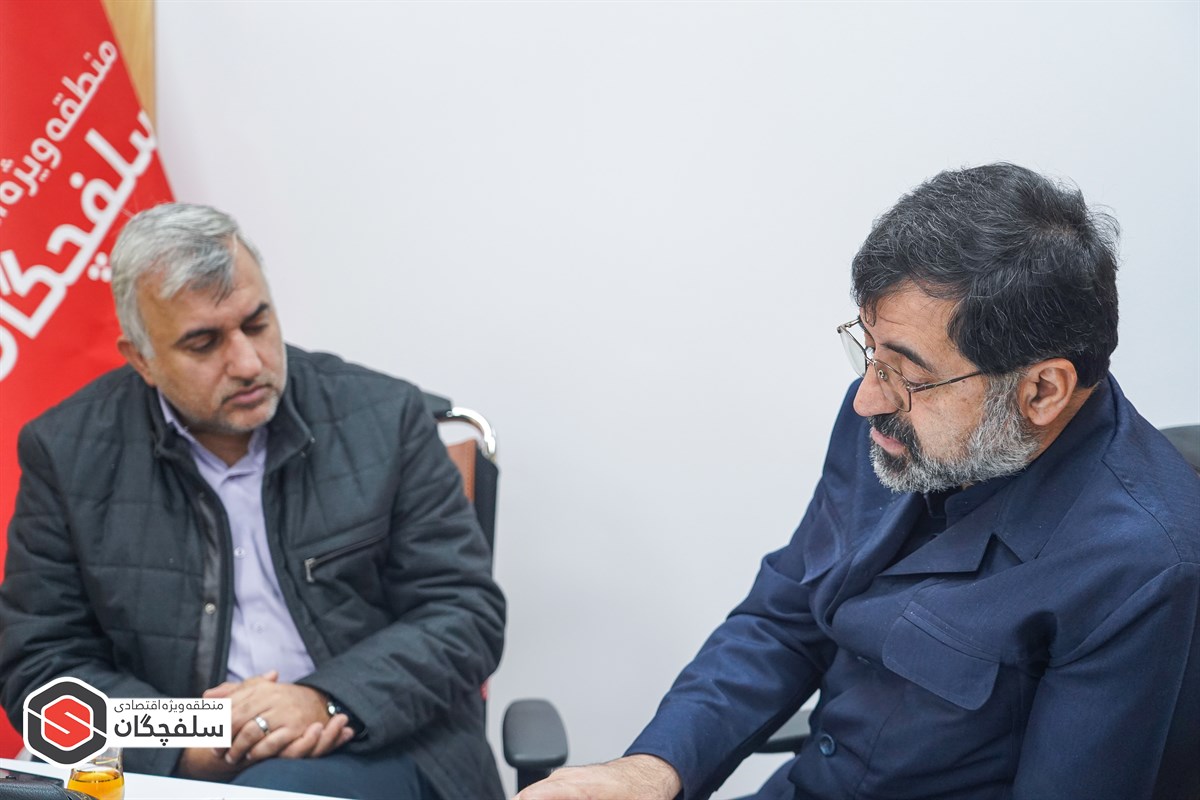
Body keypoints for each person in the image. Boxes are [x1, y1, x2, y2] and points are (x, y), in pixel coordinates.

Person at [516, 164, 1200, 800]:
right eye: (869, 350)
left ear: (1042, 390)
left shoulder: (1140, 566)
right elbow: (786, 617)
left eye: (907, 373)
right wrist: (651, 770)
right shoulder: (891, 425)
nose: (867, 398)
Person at [0, 204, 507, 800]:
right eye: (203, 343)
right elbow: (41, 663)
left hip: (383, 743)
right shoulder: (67, 453)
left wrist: (323, 700)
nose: (247, 363)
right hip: (168, 767)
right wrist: (186, 738)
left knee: (280, 789)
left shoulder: (384, 418)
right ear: (141, 359)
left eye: (257, 324)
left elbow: (464, 615)